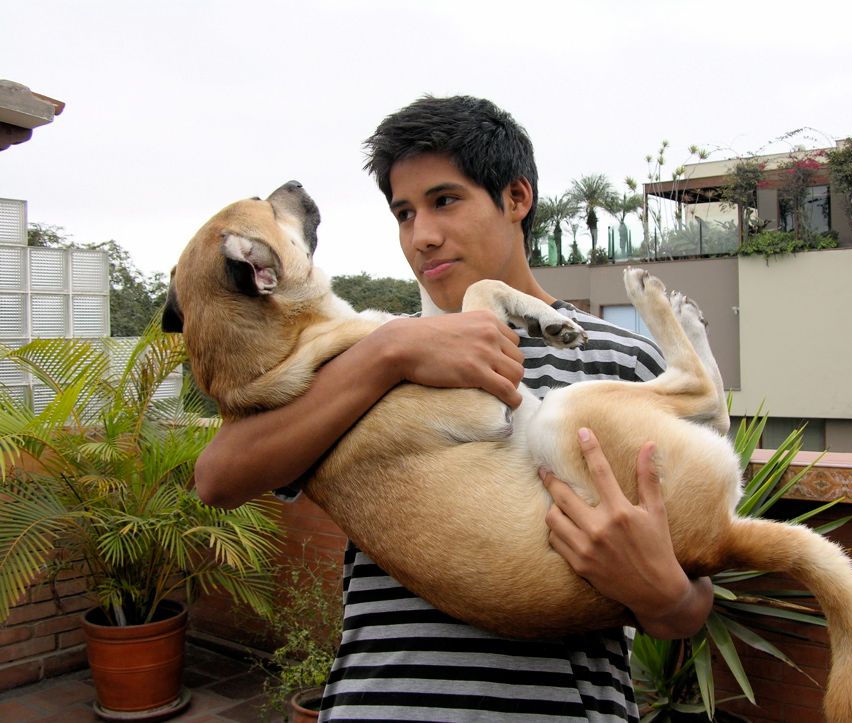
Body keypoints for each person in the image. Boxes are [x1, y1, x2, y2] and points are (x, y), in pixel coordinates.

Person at [194, 95, 714, 722]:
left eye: (445, 201)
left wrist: (662, 596)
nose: (422, 235)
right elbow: (218, 478)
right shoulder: (358, 361)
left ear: (516, 198)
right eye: (403, 213)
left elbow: (694, 597)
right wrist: (391, 352)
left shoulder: (624, 359)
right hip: (380, 709)